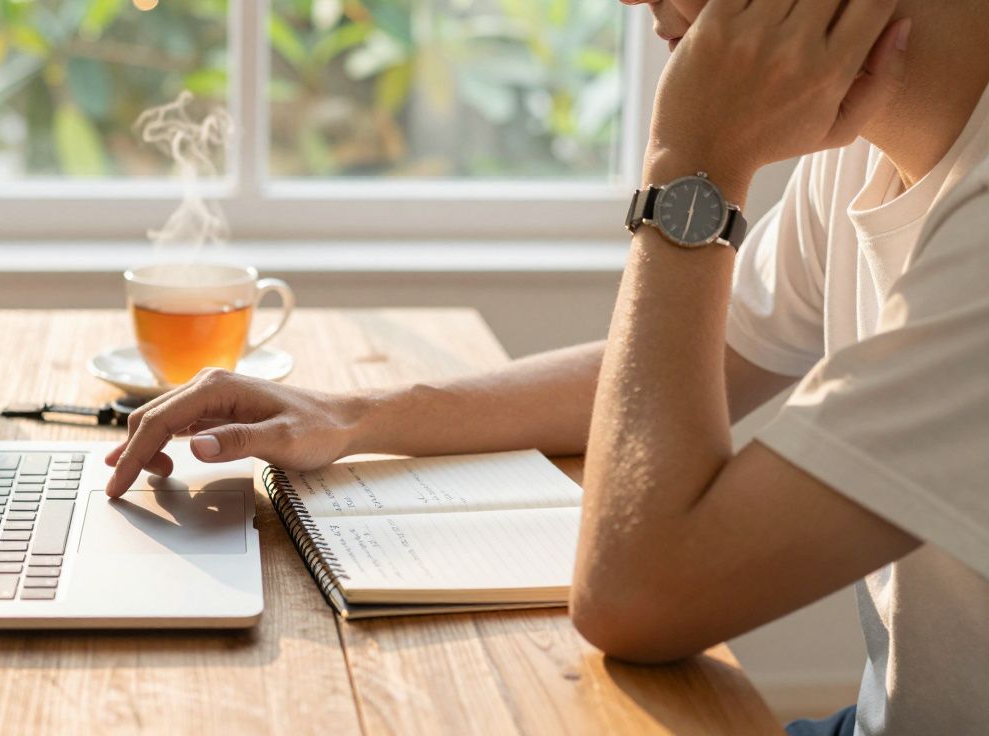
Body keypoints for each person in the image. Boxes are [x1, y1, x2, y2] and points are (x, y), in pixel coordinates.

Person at [106, 0, 989, 733]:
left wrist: (695, 162)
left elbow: (639, 594)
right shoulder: (871, 154)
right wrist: (356, 414)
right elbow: (713, 356)